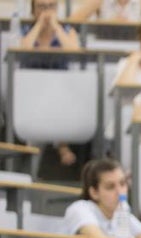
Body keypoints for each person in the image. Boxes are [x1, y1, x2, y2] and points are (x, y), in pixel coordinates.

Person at [20, 0, 81, 168]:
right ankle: (41, 145)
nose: (47, 12)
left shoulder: (67, 31)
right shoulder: (25, 30)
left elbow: (74, 52)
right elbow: (23, 50)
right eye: (42, 7)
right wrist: (39, 25)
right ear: (33, 10)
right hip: (31, 90)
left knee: (62, 97)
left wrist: (55, 26)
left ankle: (61, 144)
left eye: (51, 6)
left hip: (60, 88)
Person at [63, 158, 141, 238]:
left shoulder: (123, 214)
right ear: (94, 193)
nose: (120, 192)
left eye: (122, 184)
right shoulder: (80, 209)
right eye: (110, 187)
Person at [68, 0, 141, 22]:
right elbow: (71, 22)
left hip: (132, 47)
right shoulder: (98, 1)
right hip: (103, 46)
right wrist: (108, 24)